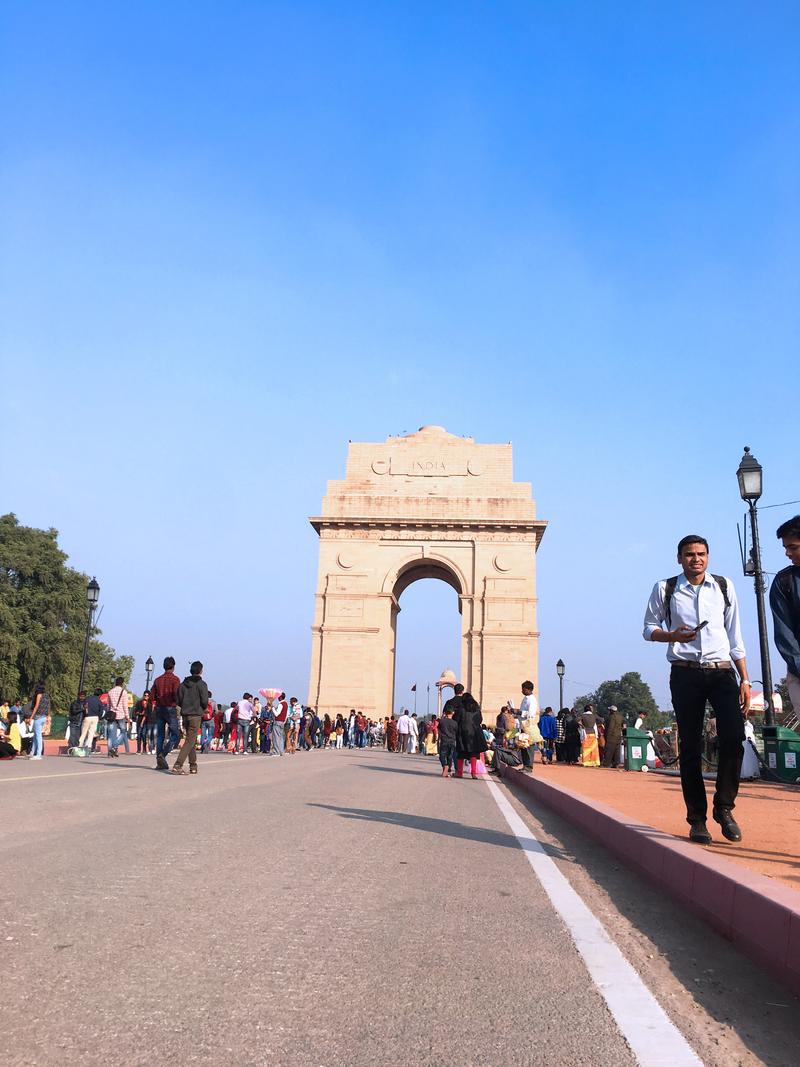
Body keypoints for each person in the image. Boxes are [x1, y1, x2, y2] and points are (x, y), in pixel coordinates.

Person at [643, 533, 750, 844]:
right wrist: (672, 636)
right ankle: (697, 820)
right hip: (685, 673)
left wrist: (744, 679)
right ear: (679, 559)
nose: (696, 559)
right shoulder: (666, 589)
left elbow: (736, 638)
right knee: (689, 746)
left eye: (701, 553)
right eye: (689, 554)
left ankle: (724, 807)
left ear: (709, 556)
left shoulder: (724, 587)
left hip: (721, 673)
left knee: (734, 738)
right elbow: (648, 629)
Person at [769, 515, 800, 714]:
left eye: (793, 547)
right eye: (785, 548)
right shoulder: (783, 582)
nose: (788, 553)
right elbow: (784, 634)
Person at [171, 661, 210, 775]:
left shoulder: (183, 684)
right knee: (189, 740)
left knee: (191, 740)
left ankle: (193, 765)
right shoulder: (202, 684)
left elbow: (178, 700)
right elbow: (204, 700)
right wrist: (202, 708)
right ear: (201, 671)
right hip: (196, 714)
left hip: (185, 714)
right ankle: (178, 764)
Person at [152, 657, 182, 771]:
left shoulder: (157, 680)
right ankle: (163, 754)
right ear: (173, 667)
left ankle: (159, 760)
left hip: (160, 709)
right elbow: (176, 695)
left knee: (160, 735)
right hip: (170, 708)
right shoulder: (175, 680)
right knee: (175, 734)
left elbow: (152, 696)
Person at [454, 692, 487, 778]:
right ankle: (474, 773)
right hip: (475, 732)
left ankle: (459, 773)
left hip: (463, 732)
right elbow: (480, 719)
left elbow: (456, 719)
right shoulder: (477, 708)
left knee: (461, 753)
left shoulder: (461, 708)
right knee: (473, 754)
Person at [28, 682, 50, 760]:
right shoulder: (47, 695)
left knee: (38, 736)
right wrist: (48, 716)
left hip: (38, 717)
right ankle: (32, 752)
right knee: (36, 735)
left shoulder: (39, 695)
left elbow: (36, 707)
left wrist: (31, 717)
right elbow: (48, 706)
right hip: (44, 716)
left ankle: (38, 754)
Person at [437, 706, 458, 777]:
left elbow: (439, 729)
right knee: (450, 756)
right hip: (452, 741)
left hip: (444, 740)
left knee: (442, 755)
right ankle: (448, 769)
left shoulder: (442, 721)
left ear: (445, 713)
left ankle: (444, 766)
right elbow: (456, 732)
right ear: (453, 713)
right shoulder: (455, 723)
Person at [741, 710, 760, 780]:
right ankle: (749, 772)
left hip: (747, 745)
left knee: (747, 759)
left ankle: (747, 772)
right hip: (748, 745)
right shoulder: (749, 726)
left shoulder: (746, 727)